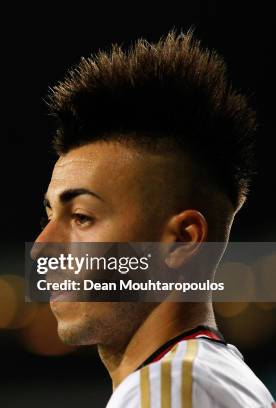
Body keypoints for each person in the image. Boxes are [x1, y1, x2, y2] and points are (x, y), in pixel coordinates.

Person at [34, 30, 275, 407]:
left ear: (182, 241)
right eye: (49, 213)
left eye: (81, 217)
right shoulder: (218, 379)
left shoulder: (168, 389)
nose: (42, 247)